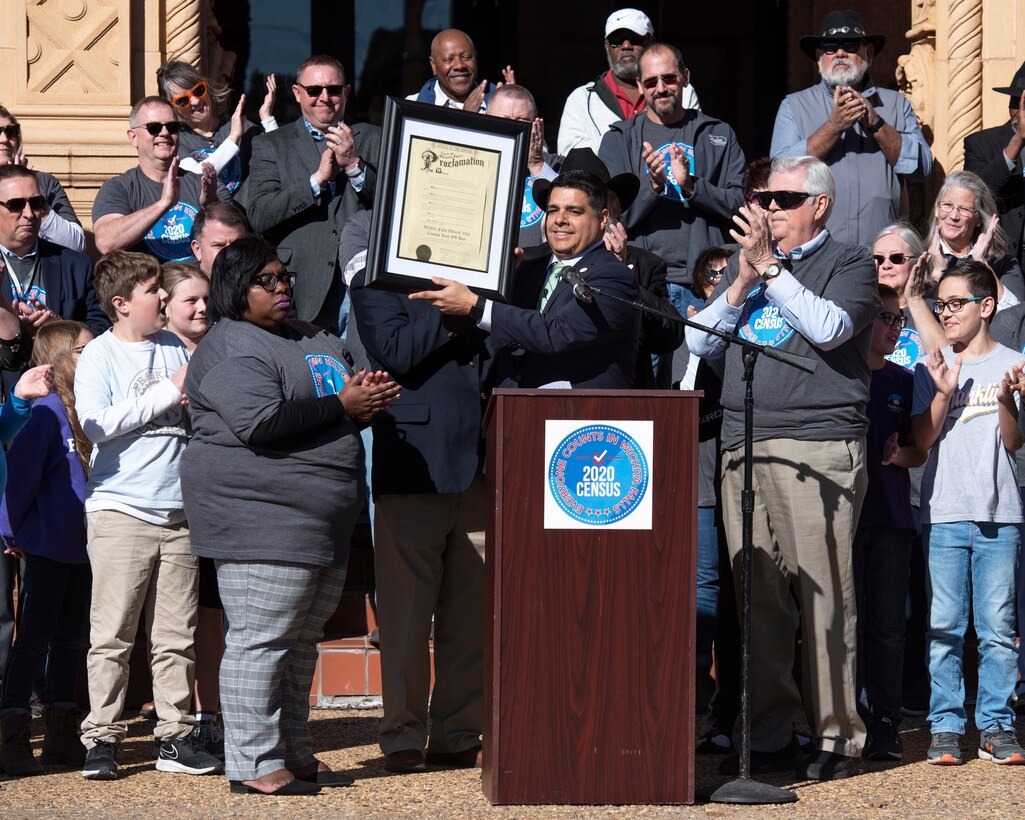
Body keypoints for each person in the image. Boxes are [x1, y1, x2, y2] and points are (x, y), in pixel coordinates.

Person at [180, 236, 399, 795]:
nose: (283, 289)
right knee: (261, 640)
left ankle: (295, 751)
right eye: (268, 281)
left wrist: (363, 400)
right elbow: (261, 422)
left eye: (286, 279)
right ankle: (252, 763)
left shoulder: (306, 335)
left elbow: (331, 406)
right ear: (236, 289)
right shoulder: (232, 345)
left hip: (318, 520)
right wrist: (342, 406)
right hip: (261, 518)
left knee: (301, 642)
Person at [685, 155, 879, 781]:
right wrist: (742, 280)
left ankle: (836, 736)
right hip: (744, 446)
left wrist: (774, 271)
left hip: (816, 447)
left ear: (819, 205)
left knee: (823, 596)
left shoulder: (848, 263)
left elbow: (829, 329)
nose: (769, 208)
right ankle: (768, 734)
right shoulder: (755, 269)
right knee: (757, 600)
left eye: (784, 200)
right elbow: (698, 341)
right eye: (764, 198)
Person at [74, 251, 221, 780]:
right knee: (112, 634)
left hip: (179, 512)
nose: (162, 296)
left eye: (162, 288)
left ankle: (175, 739)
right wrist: (170, 390)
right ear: (120, 303)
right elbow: (95, 424)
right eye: (151, 290)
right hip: (121, 510)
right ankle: (103, 740)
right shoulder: (100, 356)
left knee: (175, 635)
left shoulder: (172, 345)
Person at [350, 228, 490, 774]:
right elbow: (397, 353)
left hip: (484, 462)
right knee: (406, 618)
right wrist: (456, 306)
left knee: (470, 614)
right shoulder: (377, 279)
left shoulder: (487, 281)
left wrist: (479, 298)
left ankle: (457, 731)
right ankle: (402, 733)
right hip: (416, 468)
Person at [911, 260, 1025, 765]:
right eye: (941, 303)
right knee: (944, 626)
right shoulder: (932, 362)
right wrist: (940, 392)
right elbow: (921, 441)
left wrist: (1007, 399)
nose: (947, 312)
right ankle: (945, 727)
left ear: (986, 306)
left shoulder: (1014, 362)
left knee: (998, 627)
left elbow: (1015, 442)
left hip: (1002, 514)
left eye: (956, 303)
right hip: (945, 512)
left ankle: (997, 725)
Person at [410, 170, 641, 389]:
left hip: (579, 421)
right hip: (512, 414)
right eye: (552, 210)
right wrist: (490, 287)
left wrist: (476, 305)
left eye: (574, 211)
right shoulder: (527, 269)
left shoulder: (615, 277)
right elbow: (483, 329)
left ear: (602, 218)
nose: (560, 219)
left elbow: (557, 333)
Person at [0, 321, 92, 775]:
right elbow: (18, 479)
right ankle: (13, 733)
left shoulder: (91, 407)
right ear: (57, 361)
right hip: (47, 544)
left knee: (71, 639)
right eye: (82, 351)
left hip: (86, 546)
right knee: (33, 640)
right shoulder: (47, 412)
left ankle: (62, 734)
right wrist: (10, 532)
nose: (92, 358)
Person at [600, 42, 745, 321]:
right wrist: (652, 187)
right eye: (651, 81)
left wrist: (692, 186)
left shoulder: (718, 134)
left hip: (707, 284)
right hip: (644, 283)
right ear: (641, 86)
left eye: (669, 78)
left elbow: (740, 207)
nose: (661, 88)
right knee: (647, 367)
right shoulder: (619, 139)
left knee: (699, 366)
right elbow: (609, 220)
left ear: (685, 77)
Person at [770, 9, 932, 246]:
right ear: (819, 57)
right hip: (816, 250)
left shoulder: (896, 104)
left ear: (870, 53)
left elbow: (922, 168)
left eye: (851, 45)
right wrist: (833, 127)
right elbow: (779, 174)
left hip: (880, 252)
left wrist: (876, 123)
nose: (841, 53)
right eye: (830, 47)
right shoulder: (794, 106)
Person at [244, 55, 380, 332]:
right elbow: (259, 215)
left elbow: (398, 206)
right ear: (297, 93)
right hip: (302, 284)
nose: (324, 97)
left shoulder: (376, 137)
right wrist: (316, 181)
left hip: (365, 284)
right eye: (314, 90)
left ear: (347, 92)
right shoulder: (271, 145)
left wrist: (354, 165)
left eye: (333, 89)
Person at [854, 285, 927, 763]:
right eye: (882, 317)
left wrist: (905, 454)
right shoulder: (841, 377)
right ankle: (843, 719)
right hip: (845, 518)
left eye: (897, 319)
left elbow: (922, 446)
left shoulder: (905, 379)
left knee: (887, 625)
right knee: (843, 624)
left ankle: (885, 720)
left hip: (892, 518)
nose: (891, 326)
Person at [92, 96, 228, 263]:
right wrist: (163, 204)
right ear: (133, 137)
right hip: (151, 287)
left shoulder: (206, 184)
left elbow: (234, 242)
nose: (164, 133)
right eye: (154, 127)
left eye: (172, 127)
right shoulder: (119, 188)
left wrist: (210, 205)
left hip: (202, 286)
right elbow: (106, 242)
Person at [557, 8, 700, 155]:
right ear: (606, 46)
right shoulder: (581, 99)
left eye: (634, 38)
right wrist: (628, 143)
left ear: (650, 41)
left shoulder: (680, 89)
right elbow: (569, 154)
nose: (626, 46)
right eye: (616, 41)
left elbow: (693, 143)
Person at [0, 166, 107, 338]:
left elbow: (102, 328)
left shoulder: (76, 265)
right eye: (17, 205)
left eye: (36, 203)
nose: (29, 213)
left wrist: (58, 328)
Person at [157, 60, 278, 195]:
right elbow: (196, 178)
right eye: (183, 100)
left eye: (198, 90)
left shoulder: (241, 126)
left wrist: (267, 119)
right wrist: (233, 138)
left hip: (247, 215)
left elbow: (281, 159)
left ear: (207, 87)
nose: (196, 101)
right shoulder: (177, 141)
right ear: (173, 108)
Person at [923, 170, 1025, 301]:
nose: (954, 216)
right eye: (947, 205)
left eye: (964, 209)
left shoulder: (1002, 263)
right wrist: (937, 272)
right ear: (937, 209)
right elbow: (911, 313)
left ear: (979, 219)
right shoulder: (916, 257)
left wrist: (982, 265)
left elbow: (1016, 315)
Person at [964, 61, 1025, 269]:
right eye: (1015, 101)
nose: (1020, 111)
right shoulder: (980, 143)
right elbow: (976, 194)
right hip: (1000, 263)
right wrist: (1017, 140)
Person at [0, 104, 85, 253]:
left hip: (41, 269)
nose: (4, 139)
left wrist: (36, 201)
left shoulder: (44, 182)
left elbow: (77, 245)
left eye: (11, 132)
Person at [486, 84, 560, 249]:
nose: (512, 129)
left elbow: (567, 208)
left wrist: (536, 164)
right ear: (486, 119)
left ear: (536, 124)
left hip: (538, 269)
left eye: (522, 122)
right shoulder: (471, 163)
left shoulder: (557, 165)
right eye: (503, 120)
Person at [406, 29, 513, 113]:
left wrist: (514, 109)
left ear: (476, 57)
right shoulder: (411, 107)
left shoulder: (498, 103)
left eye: (466, 57)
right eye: (449, 59)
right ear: (433, 66)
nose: (459, 65)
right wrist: (466, 118)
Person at [189, 201, 249, 276]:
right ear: (197, 250)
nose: (230, 254)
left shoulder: (261, 284)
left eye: (237, 245)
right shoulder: (180, 286)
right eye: (219, 245)